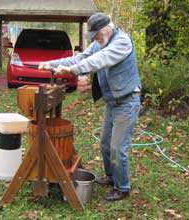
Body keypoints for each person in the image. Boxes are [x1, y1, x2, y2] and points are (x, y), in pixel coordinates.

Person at [39, 12, 141, 201]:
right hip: (112, 102)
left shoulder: (122, 42)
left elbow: (99, 60)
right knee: (105, 144)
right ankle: (111, 178)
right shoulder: (98, 43)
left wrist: (72, 70)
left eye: (96, 35)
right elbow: (79, 58)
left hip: (127, 101)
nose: (94, 39)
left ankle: (123, 188)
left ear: (107, 30)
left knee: (117, 148)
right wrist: (52, 64)